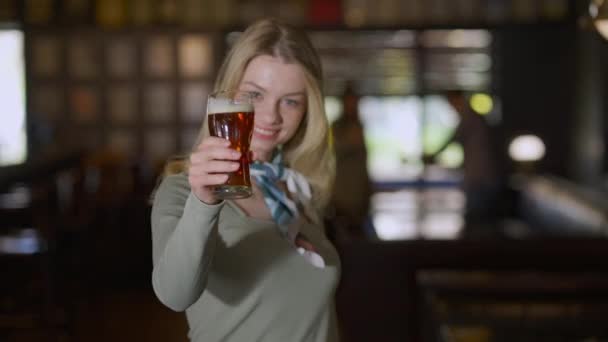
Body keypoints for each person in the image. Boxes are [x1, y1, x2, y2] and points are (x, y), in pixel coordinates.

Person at [150, 18, 340, 342]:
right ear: (228, 94)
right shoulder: (181, 191)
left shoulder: (297, 188)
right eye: (255, 95)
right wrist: (204, 201)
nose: (271, 117)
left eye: (291, 101)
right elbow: (174, 295)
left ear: (309, 109)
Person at [423, 90, 501, 227]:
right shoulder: (474, 116)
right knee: (482, 217)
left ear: (459, 100)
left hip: (479, 176)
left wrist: (433, 156)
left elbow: (453, 139)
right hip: (482, 175)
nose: (452, 107)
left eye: (452, 103)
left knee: (478, 219)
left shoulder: (469, 116)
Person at [329, 83, 372, 239]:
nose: (353, 104)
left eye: (355, 101)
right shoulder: (337, 127)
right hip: (343, 195)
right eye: (350, 101)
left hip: (359, 193)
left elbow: (363, 164)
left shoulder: (359, 125)